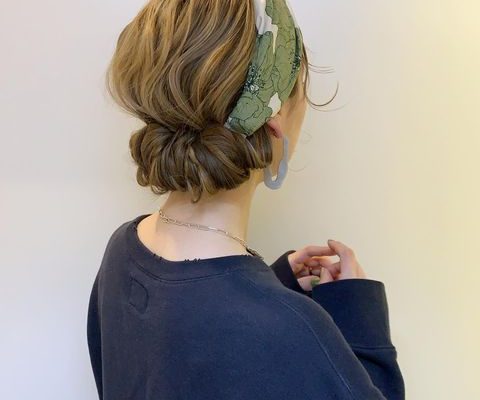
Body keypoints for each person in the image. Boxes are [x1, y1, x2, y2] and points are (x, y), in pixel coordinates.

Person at [87, 0, 406, 399]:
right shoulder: (292, 333)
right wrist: (358, 312)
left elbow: (192, 347)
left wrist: (273, 284)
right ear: (274, 123)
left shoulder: (123, 251)